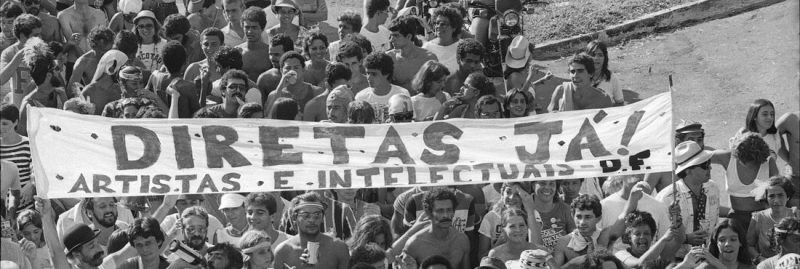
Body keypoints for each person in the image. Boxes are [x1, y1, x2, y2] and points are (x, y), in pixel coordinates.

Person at [656, 141, 722, 257]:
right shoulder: (666, 198)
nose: (710, 167)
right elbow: (660, 238)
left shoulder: (713, 188)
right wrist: (685, 238)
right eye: (705, 165)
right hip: (676, 261)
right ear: (688, 170)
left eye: (709, 163)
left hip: (708, 257)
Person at [712, 132, 780, 231]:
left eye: (754, 162)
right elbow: (699, 157)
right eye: (746, 161)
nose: (750, 165)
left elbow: (779, 192)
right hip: (735, 218)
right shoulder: (727, 157)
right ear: (737, 155)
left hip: (762, 217)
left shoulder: (768, 162)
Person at [273, 192, 350, 269]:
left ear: (322, 217)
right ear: (294, 218)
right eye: (306, 215)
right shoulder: (283, 251)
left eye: (317, 215)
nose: (312, 220)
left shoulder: (339, 248)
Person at [404, 188, 471, 269]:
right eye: (440, 211)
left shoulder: (462, 240)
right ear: (429, 213)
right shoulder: (414, 244)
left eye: (449, 210)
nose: (446, 215)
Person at [601, 175, 670, 252]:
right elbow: (600, 244)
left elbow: (666, 246)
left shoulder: (658, 206)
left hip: (648, 262)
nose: (634, 171)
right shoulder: (604, 206)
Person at [17, 40, 68, 137]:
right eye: (56, 70)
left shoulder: (60, 95)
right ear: (48, 75)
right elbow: (21, 139)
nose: (60, 71)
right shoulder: (28, 105)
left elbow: (70, 127)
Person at [645, 120, 711, 193]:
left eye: (699, 140)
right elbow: (643, 199)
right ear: (677, 141)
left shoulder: (704, 161)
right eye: (691, 140)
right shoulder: (660, 165)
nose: (695, 144)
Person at [747, 176, 798, 263]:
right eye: (771, 196)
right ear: (766, 198)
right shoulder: (758, 218)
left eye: (780, 195)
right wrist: (760, 259)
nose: (776, 200)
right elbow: (749, 245)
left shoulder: (796, 216)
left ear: (788, 196)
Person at [144, 40, 198, 118]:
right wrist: (204, 86)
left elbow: (145, 97)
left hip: (158, 125)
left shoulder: (154, 76)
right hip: (182, 127)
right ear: (185, 63)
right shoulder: (188, 87)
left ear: (163, 62)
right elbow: (198, 115)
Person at [264, 51, 324, 117]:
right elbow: (268, 119)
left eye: (296, 67)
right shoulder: (274, 95)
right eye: (288, 68)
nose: (292, 71)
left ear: (303, 69)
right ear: (281, 71)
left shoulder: (317, 92)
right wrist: (279, 89)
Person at [56, 0, 107, 79]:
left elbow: (104, 43)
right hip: (75, 64)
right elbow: (73, 44)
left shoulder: (100, 14)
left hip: (96, 64)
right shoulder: (63, 15)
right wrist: (88, 65)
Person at [386, 15, 438, 92]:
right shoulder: (389, 58)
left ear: (409, 36)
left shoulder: (428, 58)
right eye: (391, 36)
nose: (391, 40)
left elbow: (436, 88)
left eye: (396, 36)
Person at [355, 51, 410, 122]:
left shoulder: (402, 94)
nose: (369, 78)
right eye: (367, 73)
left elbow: (407, 123)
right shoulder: (360, 97)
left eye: (374, 74)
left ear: (386, 73)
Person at [548, 53, 614, 112]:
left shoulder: (603, 100)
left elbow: (608, 123)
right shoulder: (561, 91)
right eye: (572, 71)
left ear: (590, 73)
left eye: (580, 71)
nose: (575, 75)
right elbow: (550, 115)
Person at [675, 219, 754, 269]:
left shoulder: (749, 267)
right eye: (722, 240)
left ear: (740, 242)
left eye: (733, 239)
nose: (727, 244)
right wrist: (684, 265)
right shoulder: (706, 267)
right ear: (716, 243)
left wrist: (719, 265)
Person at [613, 210, 680, 268]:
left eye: (646, 233)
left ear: (652, 236)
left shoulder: (658, 256)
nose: (642, 237)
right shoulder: (621, 255)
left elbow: (679, 239)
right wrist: (664, 239)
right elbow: (640, 264)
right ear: (629, 237)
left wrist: (676, 217)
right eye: (637, 234)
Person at [1, 13, 41, 108]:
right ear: (23, 36)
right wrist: (19, 56)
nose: (39, 38)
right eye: (35, 35)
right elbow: (1, 80)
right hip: (17, 107)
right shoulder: (9, 53)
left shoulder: (43, 50)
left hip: (38, 109)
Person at [0, 104, 34, 213]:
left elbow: (37, 170)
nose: (1, 127)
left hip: (27, 211)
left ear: (15, 122)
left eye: (5, 123)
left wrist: (32, 184)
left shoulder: (28, 144)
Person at [67, 27, 114, 97]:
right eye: (102, 50)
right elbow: (70, 92)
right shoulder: (83, 62)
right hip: (94, 100)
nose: (106, 54)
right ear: (93, 46)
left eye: (108, 50)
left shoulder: (117, 56)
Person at [422, 7, 462, 73]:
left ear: (454, 27)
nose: (438, 26)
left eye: (443, 24)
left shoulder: (463, 47)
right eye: (437, 23)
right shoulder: (427, 48)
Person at [237, 7, 272, 82]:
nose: (250, 31)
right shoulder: (237, 51)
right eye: (247, 27)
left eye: (254, 27)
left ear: (262, 28)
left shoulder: (270, 52)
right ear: (242, 27)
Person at [583, 40, 623, 105]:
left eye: (600, 55)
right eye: (593, 55)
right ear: (587, 57)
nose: (596, 58)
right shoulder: (581, 76)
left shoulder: (612, 78)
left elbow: (620, 103)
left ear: (605, 58)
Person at [777, 111, 799, 204]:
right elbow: (772, 136)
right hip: (795, 177)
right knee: (791, 215)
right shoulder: (791, 119)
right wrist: (788, 158)